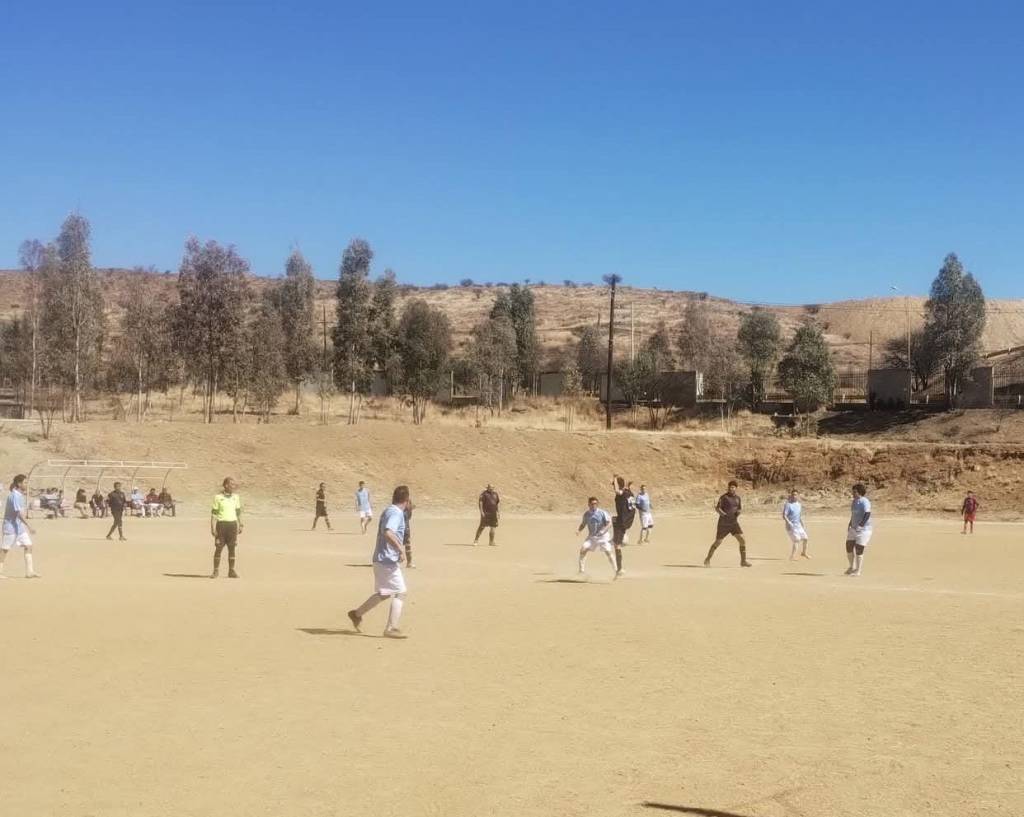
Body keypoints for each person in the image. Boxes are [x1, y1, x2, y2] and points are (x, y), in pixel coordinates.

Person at [347, 485, 412, 638]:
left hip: (381, 559)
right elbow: (388, 532)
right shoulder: (396, 513)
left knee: (384, 593)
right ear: (406, 500)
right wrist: (400, 549)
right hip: (386, 560)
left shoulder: (389, 510)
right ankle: (391, 628)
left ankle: (356, 614)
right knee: (401, 592)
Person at [0, 474, 40, 579]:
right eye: (25, 482)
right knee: (4, 549)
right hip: (10, 527)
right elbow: (19, 514)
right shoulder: (14, 496)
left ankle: (29, 572)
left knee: (28, 545)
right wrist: (29, 526)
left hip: (18, 527)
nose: (26, 485)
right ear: (19, 483)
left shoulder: (19, 495)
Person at [705, 480, 751, 567]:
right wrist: (724, 514)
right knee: (718, 542)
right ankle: (707, 559)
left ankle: (743, 561)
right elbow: (718, 508)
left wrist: (739, 512)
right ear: (728, 488)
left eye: (733, 487)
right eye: (730, 487)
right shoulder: (724, 497)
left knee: (742, 540)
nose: (731, 488)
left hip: (733, 523)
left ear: (736, 488)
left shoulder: (738, 498)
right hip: (724, 524)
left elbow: (739, 508)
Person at [576, 496, 618, 579]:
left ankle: (617, 571)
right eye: (592, 504)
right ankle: (581, 571)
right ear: (589, 504)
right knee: (583, 550)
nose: (594, 505)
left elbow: (609, 523)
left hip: (603, 537)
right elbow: (583, 524)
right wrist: (579, 530)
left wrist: (603, 530)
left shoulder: (602, 513)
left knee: (608, 552)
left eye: (596, 503)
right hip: (592, 537)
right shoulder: (586, 514)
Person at [210, 477, 243, 578]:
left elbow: (238, 512)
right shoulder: (218, 497)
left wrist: (240, 524)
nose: (234, 486)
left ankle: (231, 571)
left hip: (232, 525)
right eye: (232, 484)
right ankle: (215, 571)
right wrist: (212, 527)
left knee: (232, 548)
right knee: (219, 548)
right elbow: (214, 514)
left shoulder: (236, 497)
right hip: (222, 525)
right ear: (226, 485)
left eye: (234, 484)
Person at [845, 483, 872, 577]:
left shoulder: (865, 501)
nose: (853, 493)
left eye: (855, 491)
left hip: (864, 530)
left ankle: (858, 570)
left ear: (859, 492)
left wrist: (861, 525)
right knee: (848, 546)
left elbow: (867, 514)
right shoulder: (854, 502)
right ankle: (851, 567)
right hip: (853, 528)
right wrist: (850, 523)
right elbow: (853, 514)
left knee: (859, 549)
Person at [611, 475, 635, 577]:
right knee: (613, 520)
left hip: (622, 521)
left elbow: (617, 491)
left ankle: (620, 569)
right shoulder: (628, 492)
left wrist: (615, 479)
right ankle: (621, 539)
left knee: (617, 545)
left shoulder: (622, 493)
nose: (613, 486)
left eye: (613, 485)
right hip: (627, 520)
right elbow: (625, 488)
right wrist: (628, 485)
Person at [783, 489, 810, 560]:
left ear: (798, 496)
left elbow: (799, 515)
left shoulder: (799, 504)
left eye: (795, 495)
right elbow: (784, 516)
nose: (794, 496)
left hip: (798, 525)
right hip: (791, 526)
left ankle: (804, 553)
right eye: (793, 495)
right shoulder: (788, 504)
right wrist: (789, 523)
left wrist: (803, 523)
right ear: (791, 495)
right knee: (797, 540)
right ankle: (792, 556)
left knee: (805, 538)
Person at [403, 501, 416, 568]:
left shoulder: (406, 511)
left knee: (408, 546)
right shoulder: (400, 511)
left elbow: (409, 518)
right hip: (402, 530)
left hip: (406, 530)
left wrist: (410, 510)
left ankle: (409, 562)